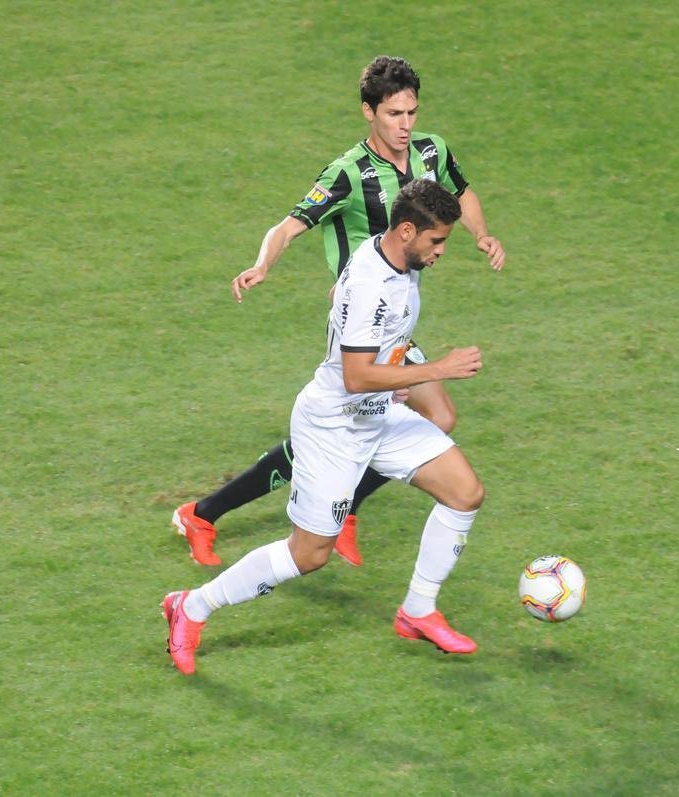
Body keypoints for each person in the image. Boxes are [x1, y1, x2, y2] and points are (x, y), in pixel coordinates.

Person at [172, 55, 505, 569]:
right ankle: (207, 512)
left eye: (412, 112)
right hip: (360, 324)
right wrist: (262, 265)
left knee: (435, 416)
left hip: (395, 319)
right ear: (368, 111)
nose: (406, 124)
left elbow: (463, 193)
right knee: (349, 426)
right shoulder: (349, 172)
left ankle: (319, 507)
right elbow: (289, 225)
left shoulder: (432, 152)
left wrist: (482, 235)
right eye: (394, 114)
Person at [163, 180, 485, 674]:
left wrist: (392, 369)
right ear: (405, 231)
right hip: (334, 428)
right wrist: (434, 369)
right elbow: (355, 377)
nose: (441, 252)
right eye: (436, 241)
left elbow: (343, 301)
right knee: (309, 555)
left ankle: (417, 611)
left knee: (465, 493)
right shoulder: (373, 285)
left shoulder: (388, 254)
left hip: (377, 416)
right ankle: (190, 607)